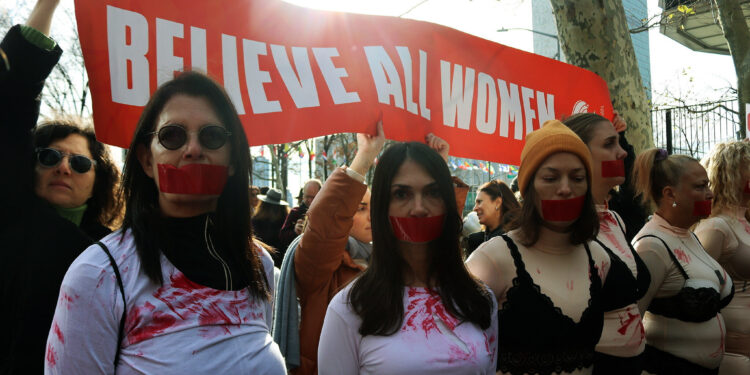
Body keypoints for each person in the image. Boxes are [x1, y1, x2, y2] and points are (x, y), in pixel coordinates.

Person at [44, 71, 285, 374]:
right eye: (172, 135)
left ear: (234, 161)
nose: (194, 149)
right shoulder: (99, 275)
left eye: (211, 136)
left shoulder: (258, 264)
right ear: (146, 160)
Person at [0, 1, 121, 373]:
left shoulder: (116, 253)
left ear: (98, 179)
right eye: (50, 157)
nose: (64, 168)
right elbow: (16, 92)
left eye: (80, 162)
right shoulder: (9, 215)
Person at [317, 129, 497, 374]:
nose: (419, 208)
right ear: (382, 206)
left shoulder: (479, 299)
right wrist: (364, 156)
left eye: (433, 192)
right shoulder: (351, 307)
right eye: (402, 194)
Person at [466, 120, 611, 375]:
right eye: (550, 177)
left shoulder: (599, 258)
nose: (565, 189)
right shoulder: (493, 259)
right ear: (529, 188)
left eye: (577, 178)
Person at [563, 113, 651, 374]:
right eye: (609, 144)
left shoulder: (614, 220)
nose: (622, 153)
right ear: (579, 155)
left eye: (620, 143)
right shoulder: (563, 227)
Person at [632, 148, 733, 375]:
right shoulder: (652, 246)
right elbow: (629, 322)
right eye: (700, 187)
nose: (710, 194)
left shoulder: (688, 234)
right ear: (670, 194)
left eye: (707, 185)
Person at [694, 141, 750, 374]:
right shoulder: (716, 227)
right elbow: (695, 290)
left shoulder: (744, 221)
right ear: (734, 173)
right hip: (734, 351)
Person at [466, 179, 520, 256]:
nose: (475, 208)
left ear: (497, 203)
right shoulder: (480, 239)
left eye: (479, 202)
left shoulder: (509, 241)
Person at [279, 179, 322, 251]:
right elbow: (282, 236)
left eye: (313, 197)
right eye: (307, 197)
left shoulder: (326, 213)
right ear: (303, 195)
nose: (310, 201)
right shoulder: (295, 212)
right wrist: (294, 232)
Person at [252, 188, 290, 266]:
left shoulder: (256, 220)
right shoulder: (286, 222)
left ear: (263, 204)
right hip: (281, 262)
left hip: (261, 261)